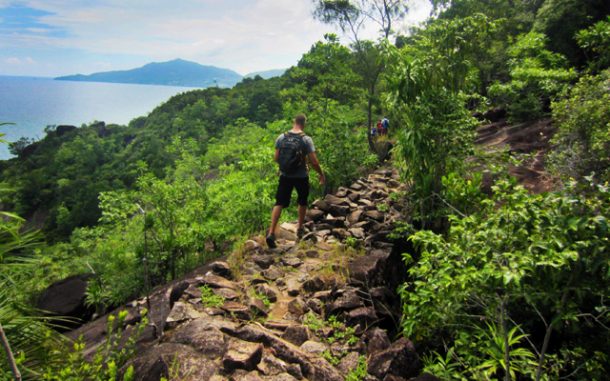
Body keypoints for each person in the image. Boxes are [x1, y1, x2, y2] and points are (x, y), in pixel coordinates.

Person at [266, 114, 325, 248]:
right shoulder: (306, 139)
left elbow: (276, 158)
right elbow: (314, 161)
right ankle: (299, 228)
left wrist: (284, 166)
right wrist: (321, 174)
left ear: (294, 122)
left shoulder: (282, 137)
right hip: (301, 176)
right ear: (304, 123)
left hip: (285, 175)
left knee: (279, 202)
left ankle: (271, 233)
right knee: (302, 201)